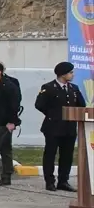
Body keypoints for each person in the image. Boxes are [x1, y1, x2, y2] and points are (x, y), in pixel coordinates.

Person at [35, 62, 86, 192]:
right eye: (70, 72)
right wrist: (53, 114)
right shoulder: (49, 87)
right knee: (50, 154)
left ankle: (63, 181)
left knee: (67, 155)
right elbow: (39, 104)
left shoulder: (73, 88)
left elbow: (81, 105)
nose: (72, 75)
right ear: (63, 74)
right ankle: (50, 181)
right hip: (53, 126)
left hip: (69, 127)